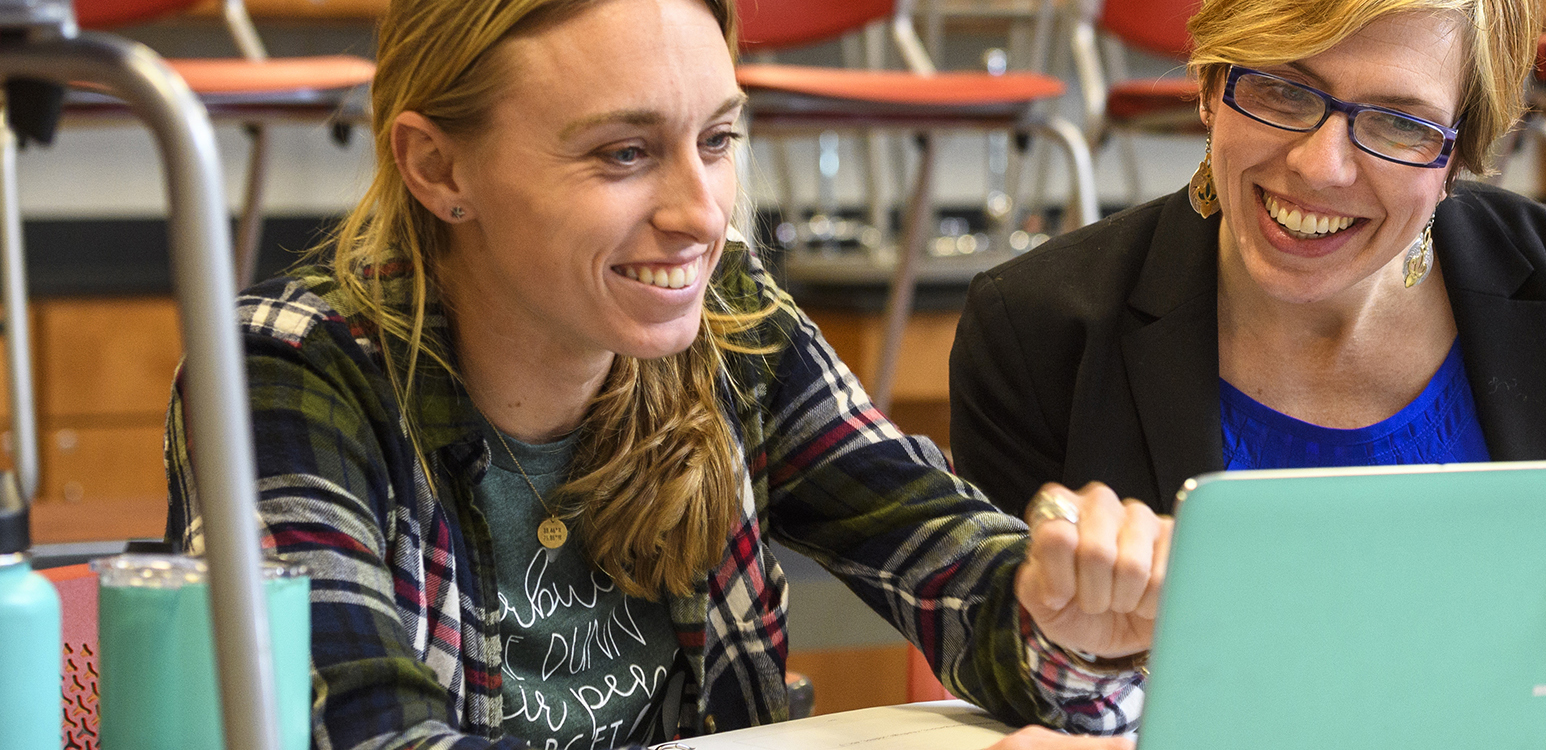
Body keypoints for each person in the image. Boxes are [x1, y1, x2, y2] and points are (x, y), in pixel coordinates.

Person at [163, 0, 1168, 746]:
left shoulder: (732, 323)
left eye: (719, 139)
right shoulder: (283, 376)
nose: (704, 214)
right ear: (438, 169)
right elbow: (368, 735)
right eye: (624, 153)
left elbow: (958, 569)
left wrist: (1070, 630)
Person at [947, 0, 1546, 747]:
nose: (1321, 167)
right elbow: (1022, 701)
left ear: (1458, 152)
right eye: (1283, 90)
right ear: (1208, 85)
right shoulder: (1037, 331)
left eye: (1398, 124)